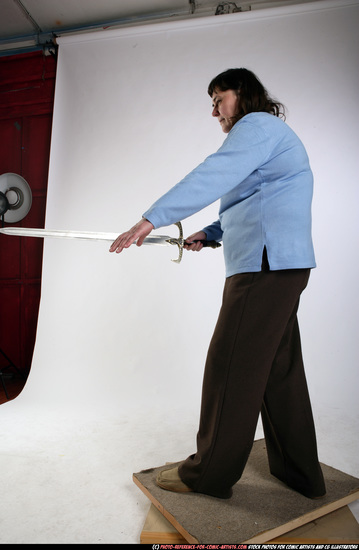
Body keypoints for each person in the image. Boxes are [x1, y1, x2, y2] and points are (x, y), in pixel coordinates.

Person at [109, 68, 326, 500]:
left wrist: (154, 216)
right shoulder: (266, 134)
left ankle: (208, 476)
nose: (214, 111)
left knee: (230, 367)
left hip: (264, 269)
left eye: (218, 98)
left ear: (242, 94)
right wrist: (211, 232)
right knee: (276, 374)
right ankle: (299, 473)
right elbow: (252, 197)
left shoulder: (256, 126)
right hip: (279, 266)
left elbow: (214, 174)